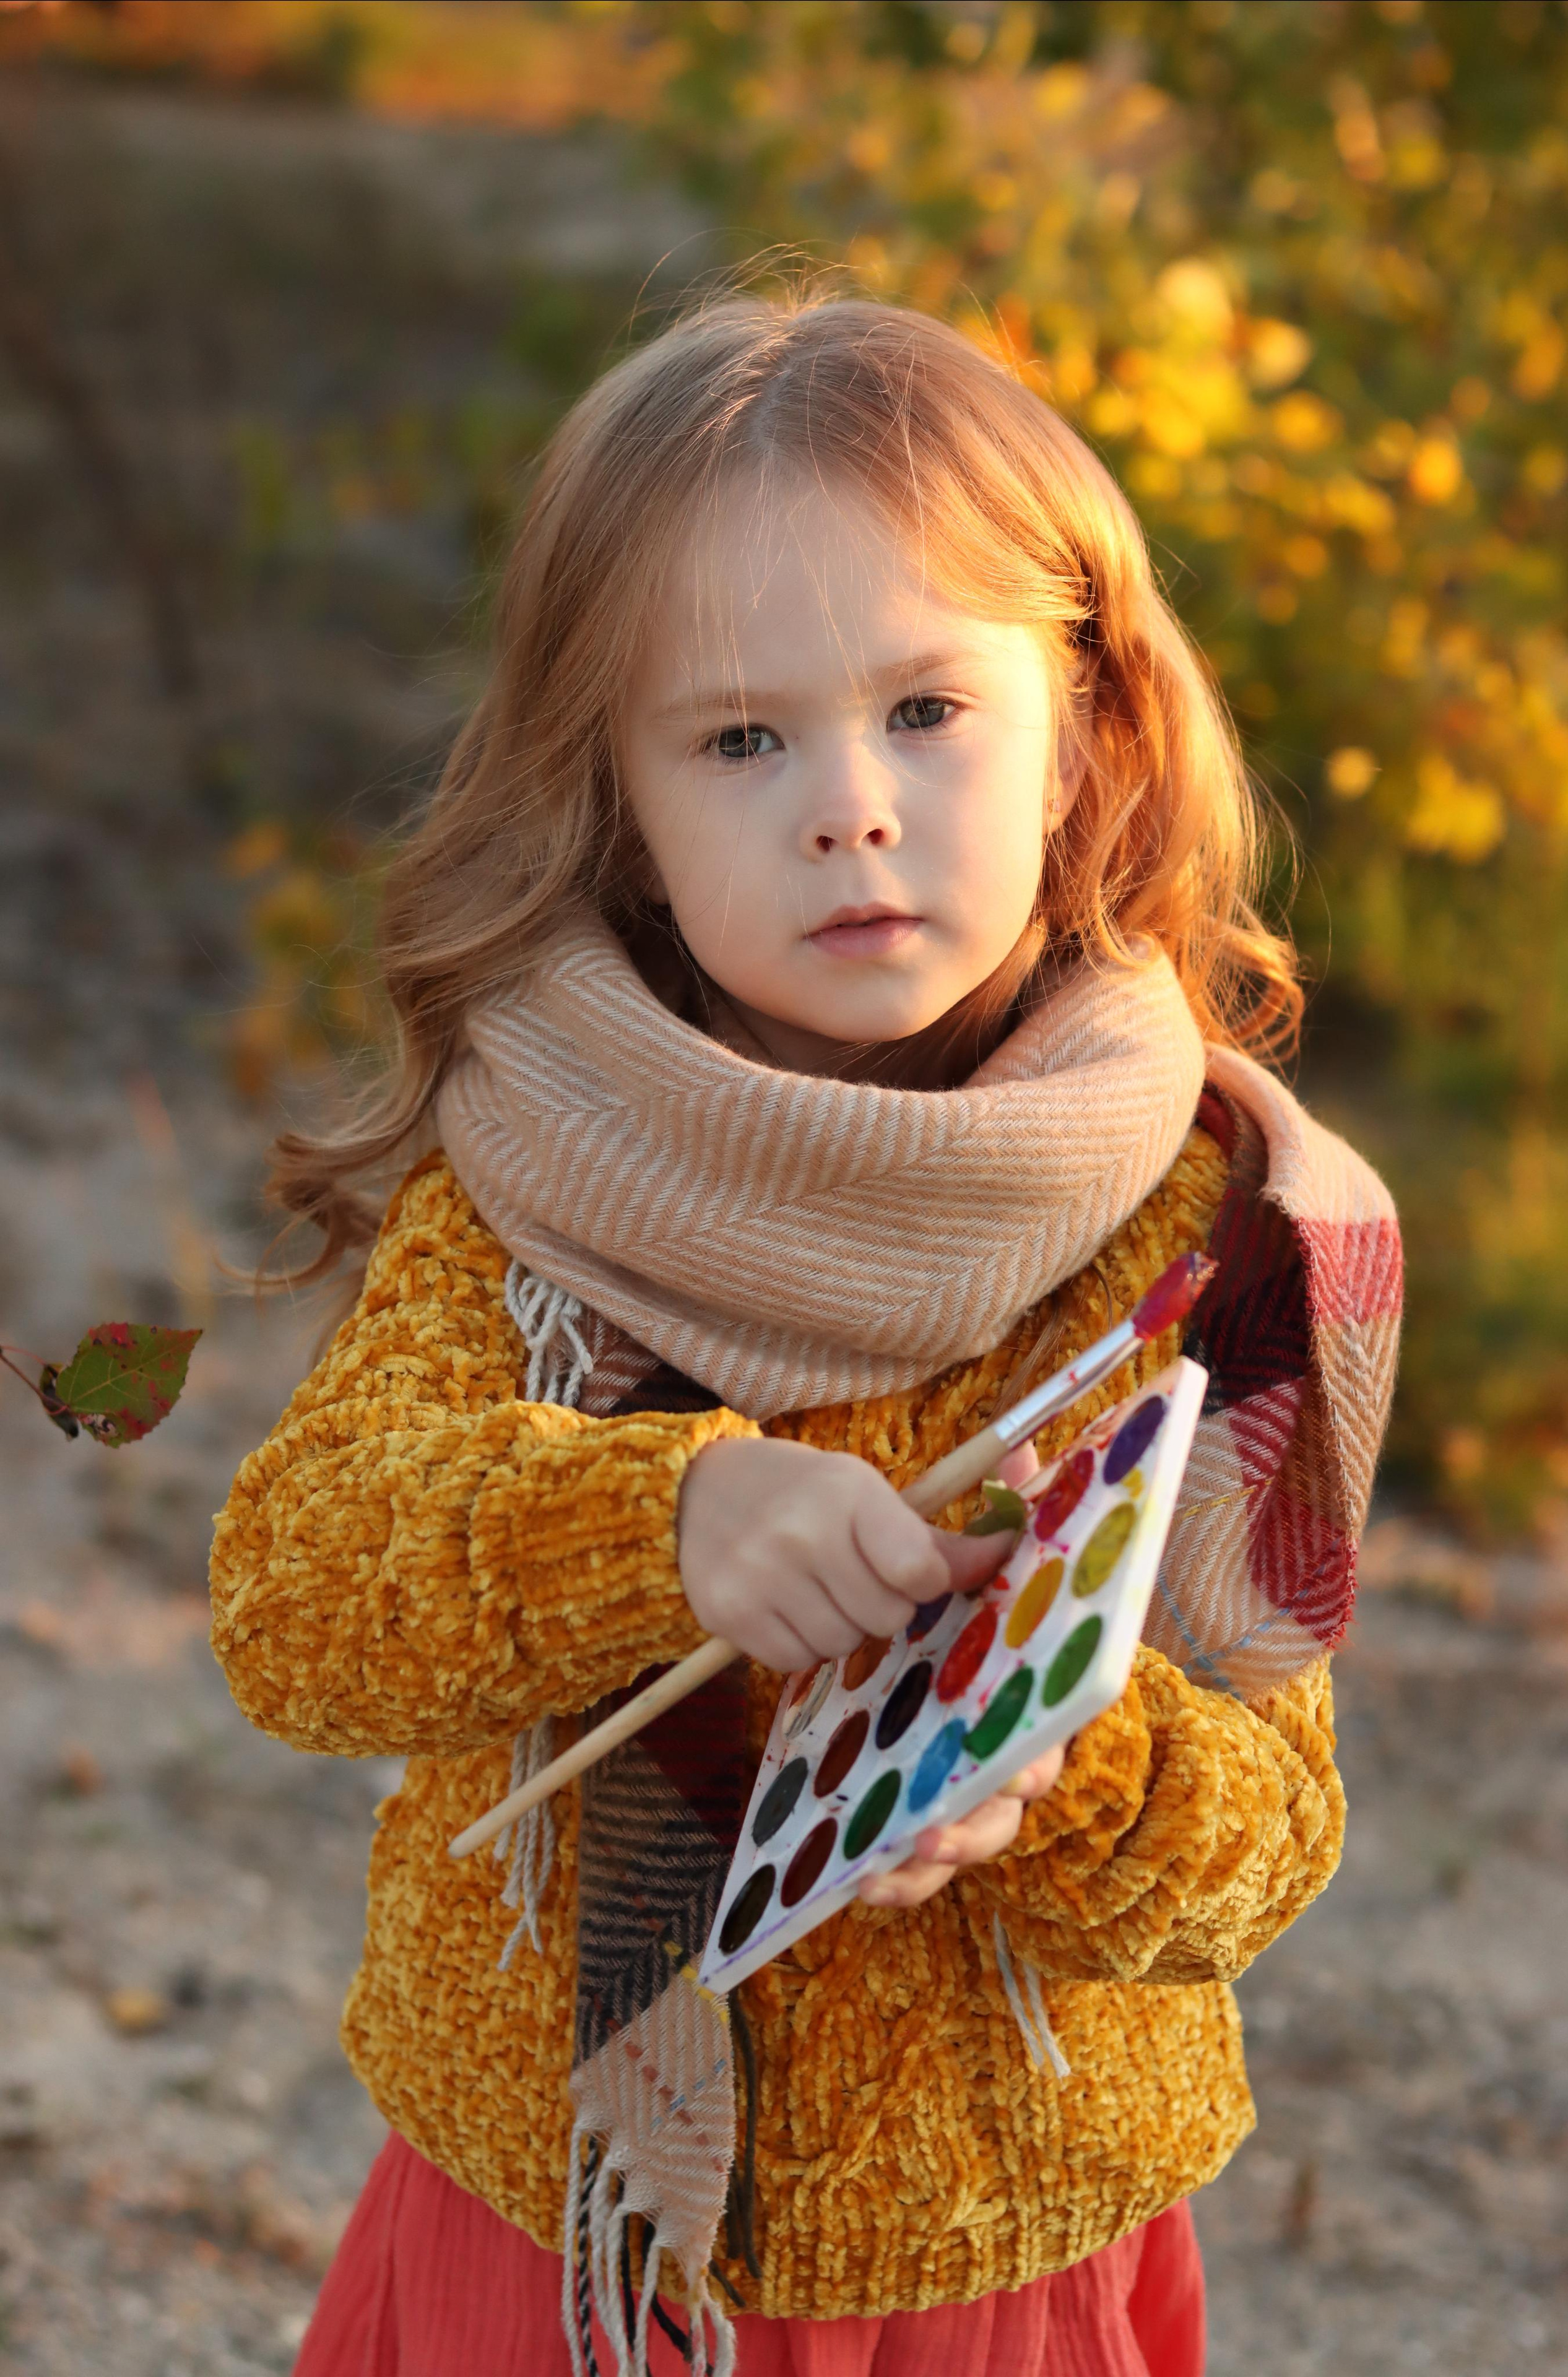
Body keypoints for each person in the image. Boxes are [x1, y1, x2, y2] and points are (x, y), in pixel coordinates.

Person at [210, 292, 1400, 2377]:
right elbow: (294, 1605)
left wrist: (1060, 1772)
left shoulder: (1208, 1237)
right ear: (624, 806)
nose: (848, 806)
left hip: (997, 2256)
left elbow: (1265, 1841)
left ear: (1087, 734)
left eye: (927, 709)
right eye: (741, 740)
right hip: (556, 2231)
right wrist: (654, 1523)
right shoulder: (547, 1172)